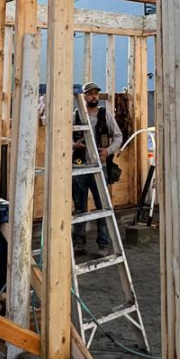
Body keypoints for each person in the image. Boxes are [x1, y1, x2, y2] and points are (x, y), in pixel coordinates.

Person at [72, 81, 123, 257]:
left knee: (102, 207)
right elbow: (63, 137)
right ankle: (79, 243)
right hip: (79, 167)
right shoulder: (76, 115)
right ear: (84, 96)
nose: (93, 96)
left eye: (96, 93)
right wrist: (74, 145)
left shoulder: (105, 115)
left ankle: (103, 245)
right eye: (90, 93)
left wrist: (107, 151)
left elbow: (118, 136)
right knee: (80, 207)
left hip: (100, 168)